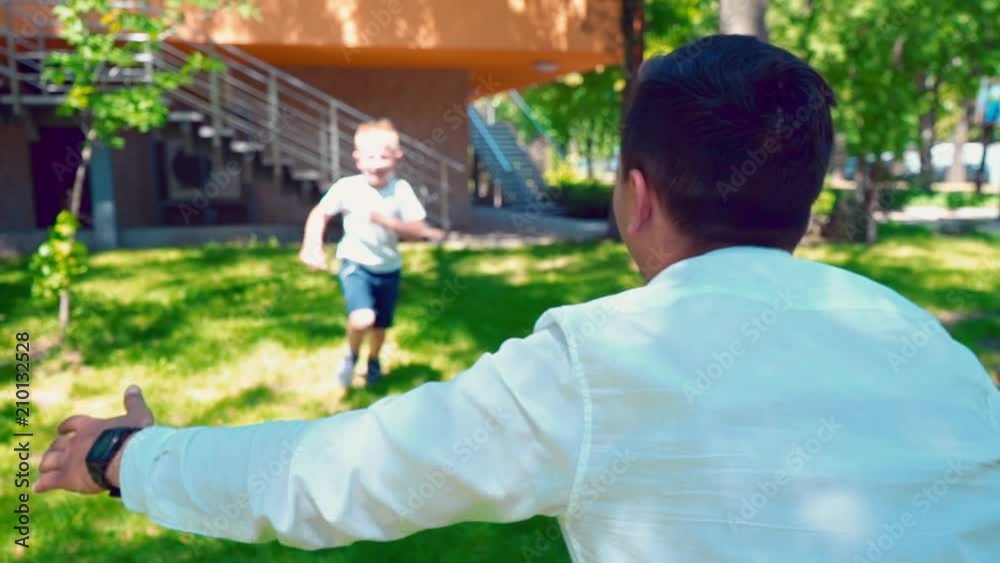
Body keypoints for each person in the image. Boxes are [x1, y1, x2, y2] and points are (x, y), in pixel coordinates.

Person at [36, 36, 1000, 562]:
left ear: (635, 196)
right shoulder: (938, 353)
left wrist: (129, 455)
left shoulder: (603, 364)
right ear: (807, 198)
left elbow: (340, 474)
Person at [298, 119, 444, 386]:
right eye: (370, 157)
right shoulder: (347, 187)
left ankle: (373, 361)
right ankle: (351, 355)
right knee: (363, 317)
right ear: (357, 159)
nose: (376, 163)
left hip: (389, 267)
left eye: (383, 157)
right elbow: (320, 213)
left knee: (380, 325)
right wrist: (311, 243)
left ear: (397, 158)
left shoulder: (401, 190)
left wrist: (387, 222)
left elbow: (417, 230)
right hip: (356, 263)